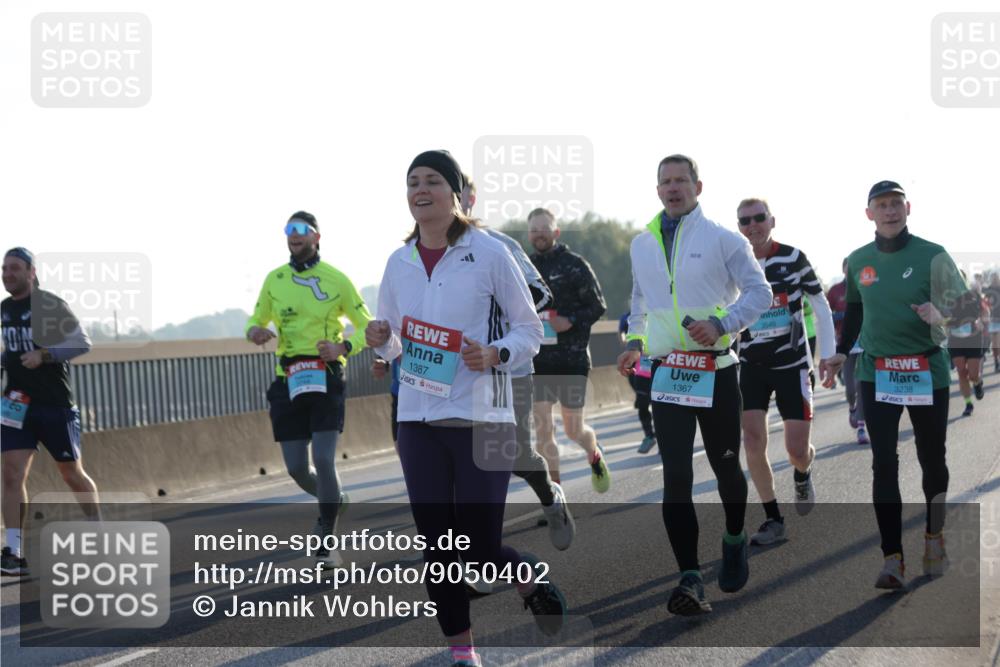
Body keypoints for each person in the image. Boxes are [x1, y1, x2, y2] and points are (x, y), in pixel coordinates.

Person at [366, 150, 565, 667]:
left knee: (478, 550)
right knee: (437, 547)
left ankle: (527, 576)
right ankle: (463, 653)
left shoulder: (491, 252)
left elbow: (531, 330)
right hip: (418, 419)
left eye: (432, 180)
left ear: (456, 194)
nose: (420, 189)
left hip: (485, 411)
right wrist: (379, 340)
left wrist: (495, 352)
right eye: (413, 182)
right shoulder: (398, 263)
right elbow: (390, 342)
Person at [617, 155, 771, 614]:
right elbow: (641, 298)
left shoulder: (723, 239)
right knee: (677, 478)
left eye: (681, 180)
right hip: (668, 373)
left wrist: (722, 323)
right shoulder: (642, 244)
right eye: (665, 181)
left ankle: (734, 536)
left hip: (717, 370)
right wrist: (636, 341)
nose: (673, 187)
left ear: (697, 186)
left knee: (727, 468)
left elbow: (759, 293)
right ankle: (688, 577)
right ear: (657, 189)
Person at [825, 180, 981, 589]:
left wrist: (942, 316)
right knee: (883, 463)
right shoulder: (859, 261)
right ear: (869, 214)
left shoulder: (933, 255)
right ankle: (892, 558)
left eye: (896, 204)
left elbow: (969, 314)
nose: (890, 211)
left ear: (908, 208)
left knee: (933, 460)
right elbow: (855, 315)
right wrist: (842, 351)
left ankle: (934, 536)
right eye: (882, 205)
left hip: (926, 372)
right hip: (877, 373)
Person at [246, 211, 372, 569]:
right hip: (288, 378)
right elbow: (256, 319)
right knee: (297, 467)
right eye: (289, 230)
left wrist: (344, 348)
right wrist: (253, 331)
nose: (294, 235)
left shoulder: (337, 280)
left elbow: (368, 326)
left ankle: (327, 537)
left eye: (302, 230)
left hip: (326, 374)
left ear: (317, 237)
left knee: (324, 459)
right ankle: (334, 501)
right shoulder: (276, 279)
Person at [460, 177, 575, 550]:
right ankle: (477, 551)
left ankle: (550, 497)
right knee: (469, 460)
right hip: (456, 374)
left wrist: (499, 326)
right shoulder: (419, 253)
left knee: (514, 456)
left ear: (469, 198)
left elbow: (540, 294)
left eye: (451, 186)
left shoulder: (498, 245)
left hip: (507, 369)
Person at [733, 198, 837, 546]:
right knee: (751, 440)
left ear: (771, 220)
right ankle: (773, 519)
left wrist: (828, 355)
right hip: (750, 364)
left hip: (792, 363)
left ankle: (803, 470)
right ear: (739, 227)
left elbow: (820, 304)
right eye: (745, 221)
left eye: (759, 218)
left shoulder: (793, 258)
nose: (753, 225)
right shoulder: (732, 264)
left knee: (795, 449)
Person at [2, 247, 97, 577]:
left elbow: (82, 342)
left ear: (31, 272)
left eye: (14, 268)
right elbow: (11, 351)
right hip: (15, 402)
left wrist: (44, 355)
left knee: (71, 474)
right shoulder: (4, 309)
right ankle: (13, 551)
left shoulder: (49, 305)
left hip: (54, 403)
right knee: (11, 473)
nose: (7, 274)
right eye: (4, 268)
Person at [528, 208, 610, 493]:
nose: (539, 234)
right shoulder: (524, 268)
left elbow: (598, 305)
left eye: (544, 228)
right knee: (542, 430)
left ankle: (594, 452)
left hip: (572, 358)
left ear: (556, 232)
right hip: (538, 361)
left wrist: (570, 321)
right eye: (534, 229)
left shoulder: (575, 264)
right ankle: (556, 494)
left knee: (573, 430)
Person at [827, 258, 869, 444]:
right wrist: (841, 316)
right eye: (848, 268)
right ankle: (852, 407)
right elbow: (826, 315)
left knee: (862, 385)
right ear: (844, 269)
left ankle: (861, 427)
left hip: (866, 344)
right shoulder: (835, 291)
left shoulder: (867, 286)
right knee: (851, 389)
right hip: (845, 346)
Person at [947, 271, 987, 416]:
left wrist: (981, 321)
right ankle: (968, 403)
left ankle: (977, 383)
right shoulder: (947, 296)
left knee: (973, 374)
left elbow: (985, 311)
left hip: (973, 338)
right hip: (956, 339)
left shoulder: (973, 294)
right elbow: (942, 317)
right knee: (962, 373)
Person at [618, 312, 656, 453]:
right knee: (642, 402)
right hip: (641, 363)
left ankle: (663, 436)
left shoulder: (661, 308)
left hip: (660, 361)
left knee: (659, 404)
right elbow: (622, 332)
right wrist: (629, 344)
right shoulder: (630, 316)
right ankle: (649, 435)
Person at [984, 272, 1000, 373]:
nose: (995, 279)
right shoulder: (989, 289)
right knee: (995, 344)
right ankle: (996, 361)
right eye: (993, 277)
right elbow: (985, 303)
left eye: (996, 277)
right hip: (993, 320)